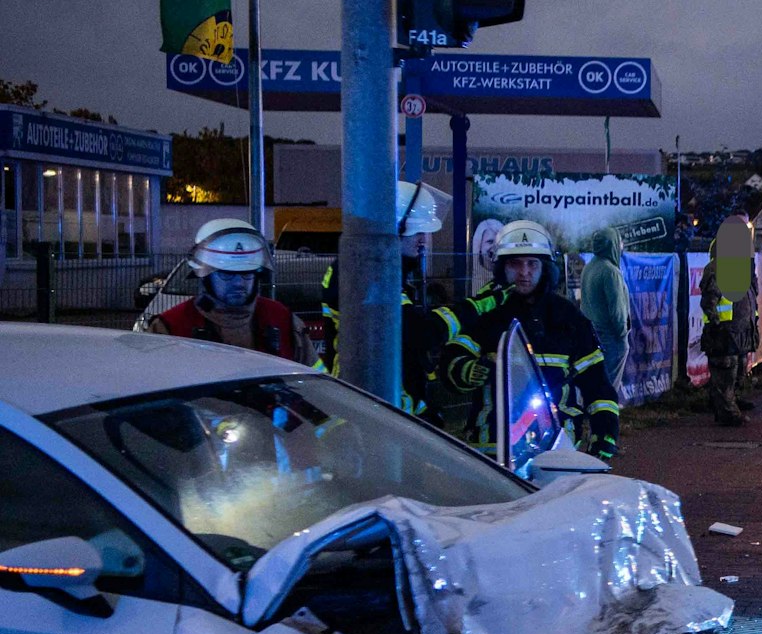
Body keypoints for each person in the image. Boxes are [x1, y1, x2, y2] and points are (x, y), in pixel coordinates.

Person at [450, 220, 620, 460]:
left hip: (555, 451)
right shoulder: (487, 312)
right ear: (501, 267)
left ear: (546, 268)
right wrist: (468, 370)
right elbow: (451, 362)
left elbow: (597, 385)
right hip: (493, 450)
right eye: (514, 264)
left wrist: (605, 434)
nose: (524, 272)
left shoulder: (569, 317)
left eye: (532, 263)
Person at [317, 180, 470, 414]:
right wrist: (472, 309)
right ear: (393, 227)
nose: (423, 241)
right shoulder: (370, 272)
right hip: (371, 407)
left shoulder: (372, 266)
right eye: (417, 232)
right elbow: (419, 333)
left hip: (382, 405)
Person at [149, 219, 322, 368]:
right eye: (227, 274)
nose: (239, 283)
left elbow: (316, 388)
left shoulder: (285, 322)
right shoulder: (169, 329)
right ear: (205, 275)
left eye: (247, 273)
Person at [699, 214, 760, 426]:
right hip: (724, 333)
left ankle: (726, 407)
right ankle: (727, 413)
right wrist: (717, 323)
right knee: (725, 374)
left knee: (731, 373)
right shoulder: (718, 269)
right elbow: (710, 302)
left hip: (734, 333)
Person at [580, 226, 633, 397]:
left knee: (596, 381)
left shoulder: (589, 267)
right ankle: (608, 418)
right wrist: (622, 334)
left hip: (591, 335)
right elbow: (616, 310)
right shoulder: (611, 272)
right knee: (609, 385)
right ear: (613, 244)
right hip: (611, 338)